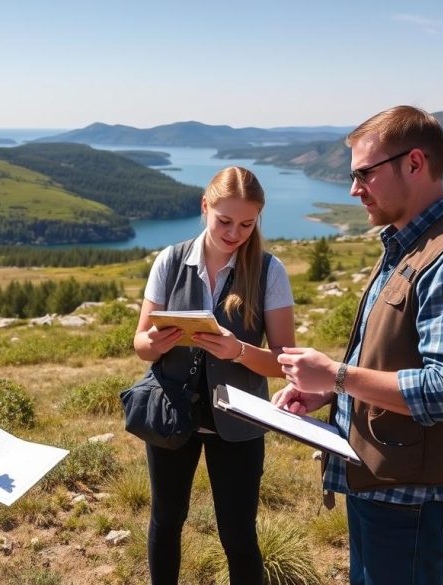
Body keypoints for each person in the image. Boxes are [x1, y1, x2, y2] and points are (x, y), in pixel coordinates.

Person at [272, 106, 443, 585]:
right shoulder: (409, 246)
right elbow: (394, 360)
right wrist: (331, 393)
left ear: (415, 164)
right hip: (380, 484)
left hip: (413, 502)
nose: (354, 188)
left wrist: (338, 375)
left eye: (365, 173)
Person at [133, 166, 296, 585]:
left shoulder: (269, 271)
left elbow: (284, 363)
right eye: (224, 220)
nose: (234, 233)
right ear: (204, 206)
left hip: (240, 423)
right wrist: (160, 342)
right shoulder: (169, 261)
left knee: (238, 534)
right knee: (166, 521)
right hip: (173, 415)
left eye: (247, 223)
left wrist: (238, 350)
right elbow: (140, 345)